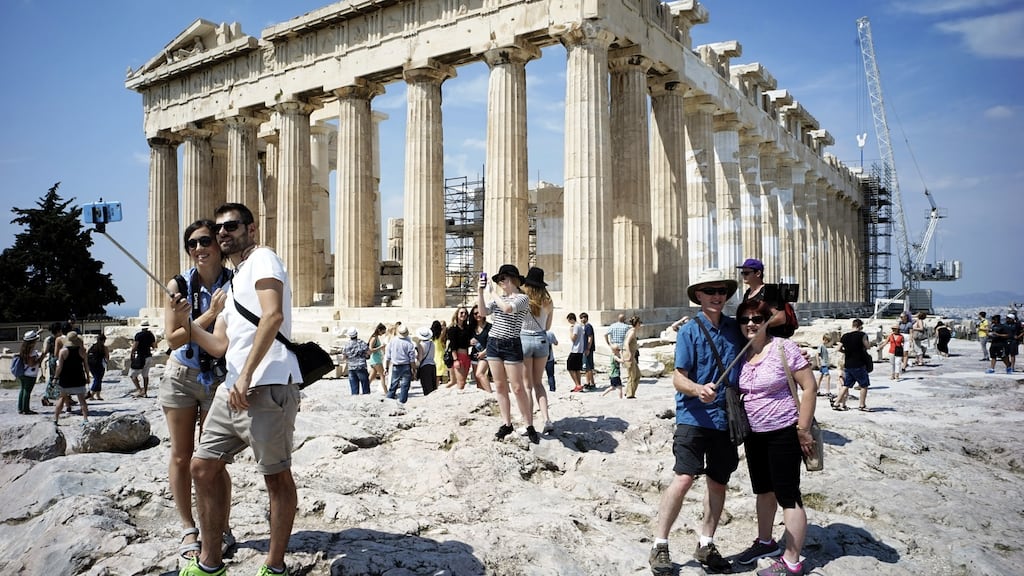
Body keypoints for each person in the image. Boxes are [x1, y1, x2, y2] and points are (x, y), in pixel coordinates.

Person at [175, 202, 302, 576]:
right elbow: (218, 346)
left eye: (232, 226)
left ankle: (274, 566)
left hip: (268, 384)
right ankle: (210, 563)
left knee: (276, 477)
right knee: (202, 466)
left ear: (252, 229)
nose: (223, 234)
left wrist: (246, 375)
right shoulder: (232, 284)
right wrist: (192, 321)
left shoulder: (263, 259)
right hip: (232, 389)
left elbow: (273, 315)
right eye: (219, 230)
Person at [649, 269, 741, 575]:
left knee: (718, 482)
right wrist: (697, 389)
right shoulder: (689, 330)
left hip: (725, 418)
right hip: (693, 416)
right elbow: (678, 377)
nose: (717, 295)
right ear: (698, 296)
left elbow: (772, 324)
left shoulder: (736, 328)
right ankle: (660, 544)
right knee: (684, 477)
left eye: (722, 291)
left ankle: (706, 543)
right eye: (710, 290)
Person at [162, 219, 236, 562]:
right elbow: (173, 339)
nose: (198, 248)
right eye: (191, 243)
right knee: (181, 455)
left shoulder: (235, 281)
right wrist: (207, 315)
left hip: (218, 378)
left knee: (213, 461)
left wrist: (193, 322)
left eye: (205, 241)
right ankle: (188, 527)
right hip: (181, 375)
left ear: (218, 244)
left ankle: (220, 527)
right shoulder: (178, 284)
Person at [732, 299, 817, 576]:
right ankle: (766, 542)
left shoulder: (783, 347)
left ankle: (792, 562)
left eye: (757, 318)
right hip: (754, 434)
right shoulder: (742, 353)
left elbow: (809, 386)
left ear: (768, 320)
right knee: (763, 491)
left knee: (788, 495)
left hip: (784, 432)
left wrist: (802, 430)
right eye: (745, 320)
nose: (751, 324)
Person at [479, 264, 538, 444]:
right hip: (494, 343)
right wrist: (480, 292)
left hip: (512, 344)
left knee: (518, 387)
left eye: (502, 278)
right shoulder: (499, 298)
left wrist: (492, 293)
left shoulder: (522, 298)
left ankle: (529, 424)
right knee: (499, 385)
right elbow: (482, 313)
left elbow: (507, 309)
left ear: (512, 279)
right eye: (498, 280)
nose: (500, 282)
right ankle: (507, 423)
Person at [520, 267, 555, 434]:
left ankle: (529, 424)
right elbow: (548, 326)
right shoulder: (548, 301)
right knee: (539, 383)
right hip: (542, 340)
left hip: (524, 339)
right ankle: (546, 419)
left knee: (527, 386)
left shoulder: (522, 300)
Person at [833, 319, 872, 412]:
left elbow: (838, 348)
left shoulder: (845, 336)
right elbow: (867, 346)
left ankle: (836, 403)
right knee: (864, 385)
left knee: (846, 385)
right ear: (860, 326)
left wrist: (846, 351)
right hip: (859, 363)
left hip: (848, 364)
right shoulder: (862, 335)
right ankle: (862, 405)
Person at [53, 331, 90, 426]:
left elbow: (59, 367)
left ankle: (56, 419)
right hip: (79, 377)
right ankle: (85, 419)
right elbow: (86, 365)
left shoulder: (63, 351)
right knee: (82, 399)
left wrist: (55, 377)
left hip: (66, 378)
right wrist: (88, 376)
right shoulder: (82, 351)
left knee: (61, 398)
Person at [385, 324, 418, 403]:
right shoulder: (409, 343)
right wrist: (414, 369)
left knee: (393, 385)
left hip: (395, 365)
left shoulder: (392, 341)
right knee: (405, 386)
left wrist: (386, 367)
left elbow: (388, 356)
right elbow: (412, 359)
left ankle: (389, 400)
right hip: (406, 366)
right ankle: (402, 402)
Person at [15, 330, 42, 415]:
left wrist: (38, 332)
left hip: (23, 372)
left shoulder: (23, 348)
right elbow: (32, 364)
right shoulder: (32, 351)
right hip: (30, 374)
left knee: (22, 390)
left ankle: (20, 408)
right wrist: (41, 357)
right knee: (27, 391)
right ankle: (26, 409)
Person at [446, 306, 473, 389]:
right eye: (461, 313)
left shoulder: (467, 328)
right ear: (457, 314)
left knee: (463, 382)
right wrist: (455, 360)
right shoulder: (452, 329)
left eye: (465, 313)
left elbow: (466, 343)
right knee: (460, 382)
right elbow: (453, 345)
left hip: (466, 356)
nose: (463, 315)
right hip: (458, 356)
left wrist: (471, 343)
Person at [129, 320, 157, 397]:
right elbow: (154, 346)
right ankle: (145, 392)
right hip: (149, 356)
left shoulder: (139, 335)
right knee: (145, 375)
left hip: (141, 356)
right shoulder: (151, 335)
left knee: (132, 375)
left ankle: (139, 390)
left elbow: (135, 346)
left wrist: (132, 354)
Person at [469, 306, 493, 392]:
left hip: (486, 354)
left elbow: (492, 343)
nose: (478, 315)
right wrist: (469, 342)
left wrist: (484, 352)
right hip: (475, 355)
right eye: (475, 313)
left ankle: (490, 393)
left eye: (479, 312)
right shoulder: (471, 328)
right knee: (478, 381)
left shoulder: (490, 326)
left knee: (480, 374)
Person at [342, 327, 371, 395]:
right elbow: (369, 353)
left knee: (354, 390)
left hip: (351, 368)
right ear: (356, 334)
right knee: (365, 388)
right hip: (361, 367)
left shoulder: (346, 345)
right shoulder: (361, 343)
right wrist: (364, 356)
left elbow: (344, 357)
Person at [40, 322, 63, 407]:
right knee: (58, 378)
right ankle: (48, 396)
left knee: (53, 378)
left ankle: (64, 397)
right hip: (58, 360)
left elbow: (45, 351)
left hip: (51, 359)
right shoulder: (60, 339)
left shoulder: (49, 339)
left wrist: (40, 361)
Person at [623, 315, 642, 399]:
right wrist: (629, 353)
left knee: (637, 374)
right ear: (637, 323)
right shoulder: (632, 332)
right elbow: (626, 343)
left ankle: (628, 391)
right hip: (629, 355)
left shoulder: (631, 330)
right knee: (632, 375)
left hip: (632, 355)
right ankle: (630, 394)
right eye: (639, 323)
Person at [86, 334, 110, 401]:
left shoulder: (92, 347)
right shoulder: (104, 347)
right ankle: (92, 394)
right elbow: (107, 357)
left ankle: (98, 395)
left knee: (98, 379)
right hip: (99, 365)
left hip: (91, 365)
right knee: (97, 379)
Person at [416, 326, 438, 396]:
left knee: (427, 387)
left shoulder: (421, 345)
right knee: (433, 386)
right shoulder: (432, 343)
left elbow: (420, 357)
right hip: (432, 365)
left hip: (424, 367)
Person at [567, 312, 585, 392]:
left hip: (575, 350)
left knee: (570, 367)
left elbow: (573, 338)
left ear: (571, 319)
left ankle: (577, 384)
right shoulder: (580, 326)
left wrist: (570, 331)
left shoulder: (576, 326)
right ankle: (579, 385)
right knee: (577, 369)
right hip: (580, 350)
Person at [367, 323, 388, 393]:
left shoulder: (376, 337)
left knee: (372, 376)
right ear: (379, 330)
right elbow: (371, 349)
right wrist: (381, 347)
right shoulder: (374, 338)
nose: (383, 333)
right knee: (383, 376)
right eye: (383, 332)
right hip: (376, 360)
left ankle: (365, 390)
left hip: (375, 360)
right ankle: (386, 392)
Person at [580, 312, 596, 390]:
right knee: (587, 367)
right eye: (581, 318)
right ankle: (591, 382)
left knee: (588, 367)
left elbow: (590, 338)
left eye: (584, 317)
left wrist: (588, 348)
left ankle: (589, 382)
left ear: (587, 318)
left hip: (587, 349)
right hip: (584, 349)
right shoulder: (584, 327)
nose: (583, 319)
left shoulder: (588, 327)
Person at [431, 320, 448, 390]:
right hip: (439, 358)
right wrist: (444, 327)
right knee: (438, 378)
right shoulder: (440, 337)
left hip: (433, 358)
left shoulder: (431, 337)